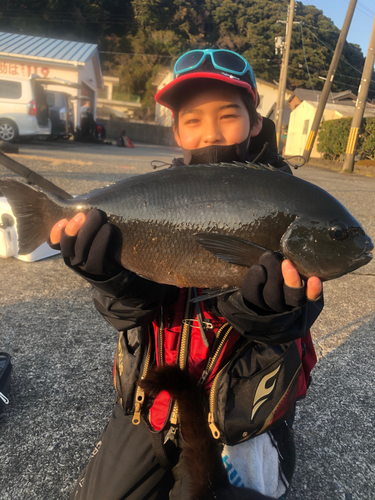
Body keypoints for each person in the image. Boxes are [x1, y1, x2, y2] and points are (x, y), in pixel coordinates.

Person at [49, 49, 323, 500]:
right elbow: (131, 314)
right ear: (176, 131)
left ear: (255, 123)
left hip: (238, 421)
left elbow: (300, 320)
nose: (210, 132)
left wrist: (266, 312)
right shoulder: (154, 199)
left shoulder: (292, 203)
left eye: (227, 115)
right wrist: (112, 280)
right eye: (192, 120)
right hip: (152, 404)